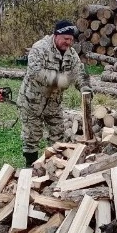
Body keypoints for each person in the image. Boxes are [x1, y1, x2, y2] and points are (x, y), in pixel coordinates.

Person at [18, 20, 92, 167]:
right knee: (31, 136)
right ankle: (30, 167)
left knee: (58, 136)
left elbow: (79, 72)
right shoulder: (40, 48)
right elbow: (34, 72)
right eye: (66, 39)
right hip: (32, 101)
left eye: (71, 39)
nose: (69, 42)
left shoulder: (71, 54)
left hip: (53, 103)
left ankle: (54, 166)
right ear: (56, 36)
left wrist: (85, 87)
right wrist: (59, 80)